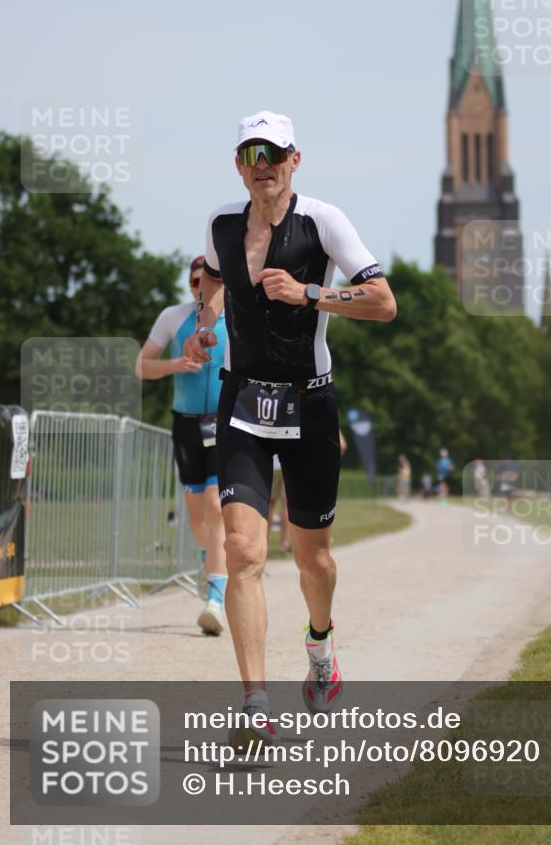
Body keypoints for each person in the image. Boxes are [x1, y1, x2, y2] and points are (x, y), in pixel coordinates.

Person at [184, 110, 396, 745]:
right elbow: (212, 281)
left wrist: (309, 294)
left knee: (314, 559)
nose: (263, 166)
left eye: (273, 154)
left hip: (309, 403)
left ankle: (320, 645)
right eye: (251, 155)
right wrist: (204, 324)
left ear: (294, 160)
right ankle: (255, 704)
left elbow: (383, 302)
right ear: (238, 166)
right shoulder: (221, 224)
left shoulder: (323, 221)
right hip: (243, 401)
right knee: (243, 550)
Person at [136, 256, 228, 635]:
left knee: (215, 506)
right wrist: (175, 365)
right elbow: (141, 366)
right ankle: (210, 562)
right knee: (196, 515)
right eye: (194, 282)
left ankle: (215, 600)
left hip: (225, 422)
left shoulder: (237, 317)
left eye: (207, 282)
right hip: (186, 424)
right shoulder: (173, 317)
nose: (200, 288)